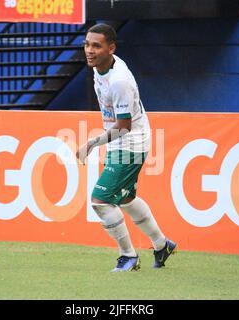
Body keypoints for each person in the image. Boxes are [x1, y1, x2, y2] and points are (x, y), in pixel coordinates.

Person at [76, 23, 177, 272]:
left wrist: (92, 143)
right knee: (127, 198)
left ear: (111, 48)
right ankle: (162, 244)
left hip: (130, 143)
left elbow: (124, 126)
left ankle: (128, 257)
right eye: (87, 44)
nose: (89, 50)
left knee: (100, 200)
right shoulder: (102, 66)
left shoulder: (119, 81)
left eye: (96, 46)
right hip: (122, 140)